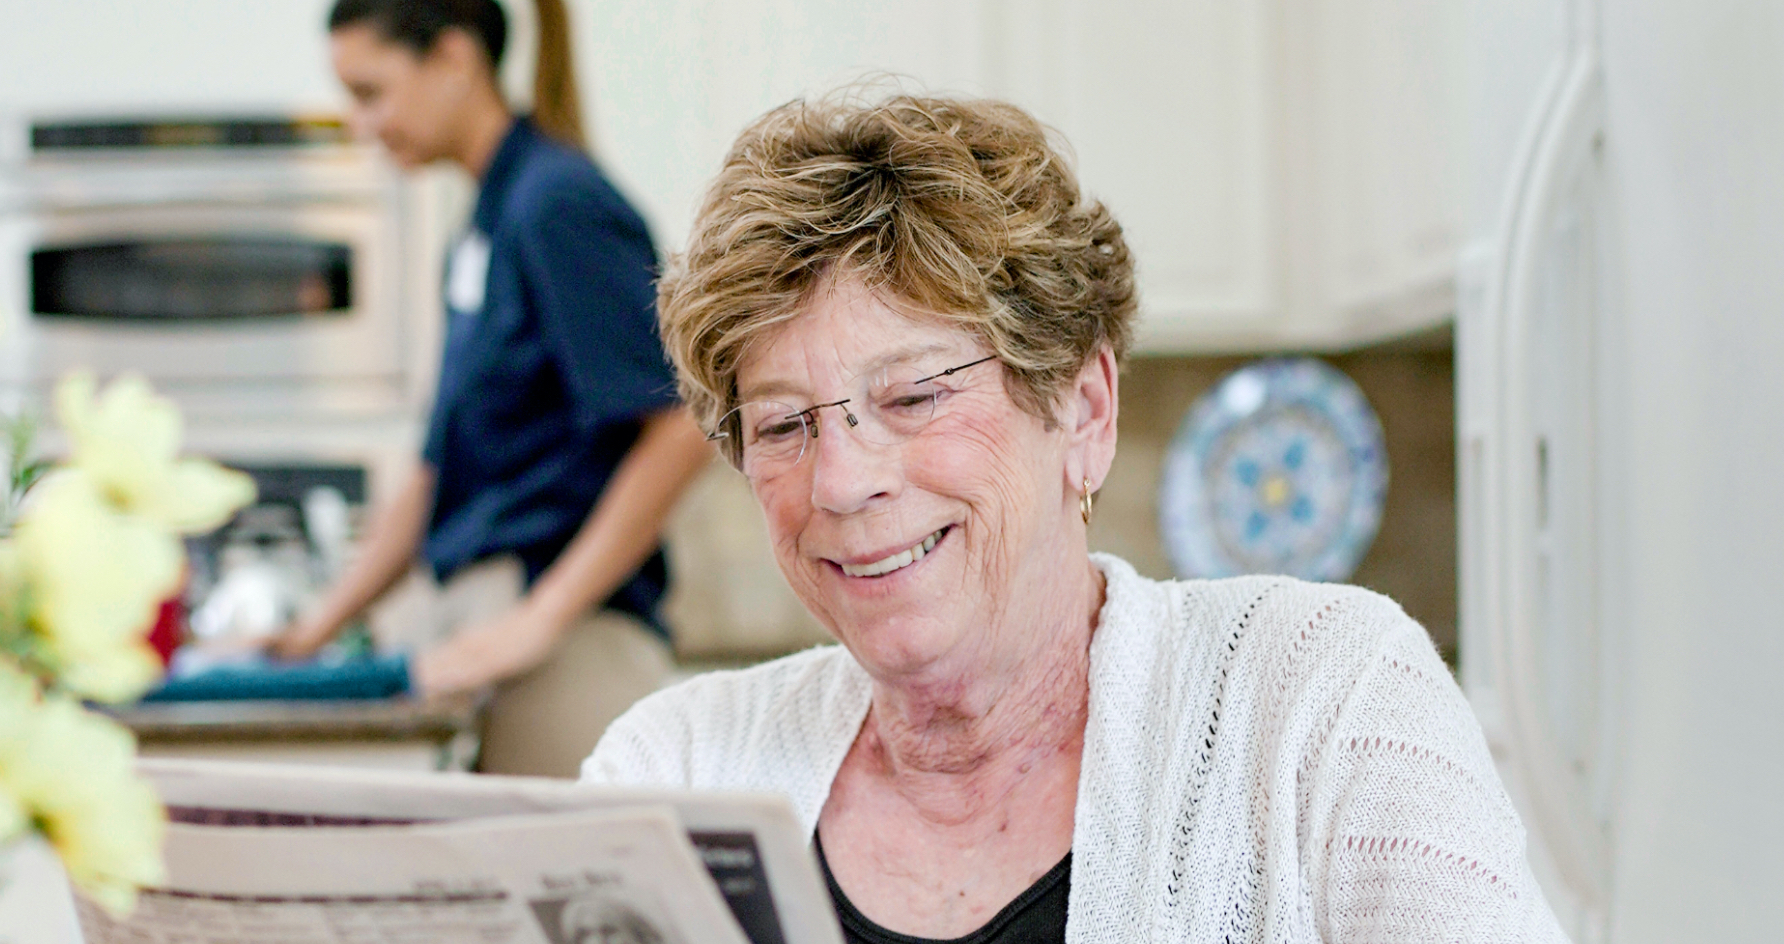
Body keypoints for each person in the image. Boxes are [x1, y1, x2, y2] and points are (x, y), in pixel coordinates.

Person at [581, 93, 1569, 942]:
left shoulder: (1324, 700)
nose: (840, 480)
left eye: (914, 394)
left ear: (1082, 408)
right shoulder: (673, 772)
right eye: (785, 424)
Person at [268, 0, 711, 778]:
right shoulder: (482, 227)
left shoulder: (559, 205)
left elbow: (681, 423)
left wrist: (537, 622)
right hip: (479, 633)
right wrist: (313, 630)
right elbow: (434, 468)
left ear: (454, 58)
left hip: (569, 649)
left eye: (372, 92)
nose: (362, 124)